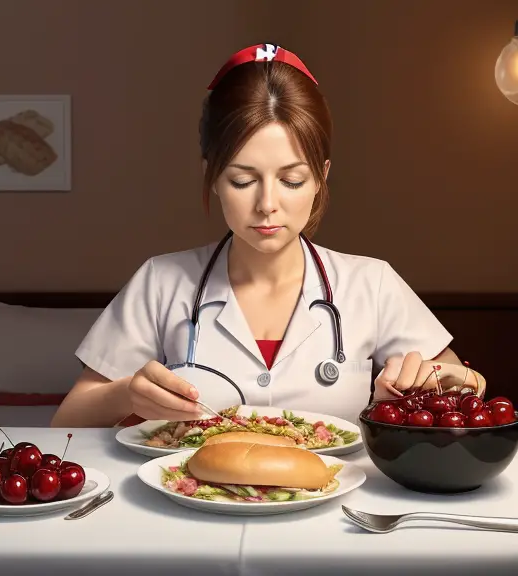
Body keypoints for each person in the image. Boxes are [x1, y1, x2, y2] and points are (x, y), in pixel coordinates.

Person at [51, 43, 480, 429]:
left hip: (336, 511)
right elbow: (66, 421)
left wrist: (446, 381)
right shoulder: (160, 281)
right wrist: (126, 394)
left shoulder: (373, 283)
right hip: (192, 509)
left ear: (320, 179)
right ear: (213, 177)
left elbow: (461, 390)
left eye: (292, 180)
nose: (267, 204)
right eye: (242, 181)